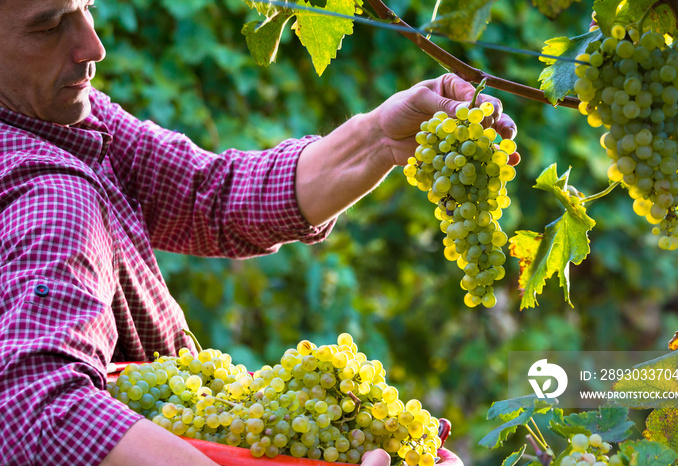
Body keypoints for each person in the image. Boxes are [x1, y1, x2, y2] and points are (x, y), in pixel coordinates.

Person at [0, 1, 517, 465]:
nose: (93, 45)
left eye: (86, 6)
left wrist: (378, 138)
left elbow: (213, 197)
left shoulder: (64, 119)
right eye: (48, 26)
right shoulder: (51, 197)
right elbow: (38, 413)